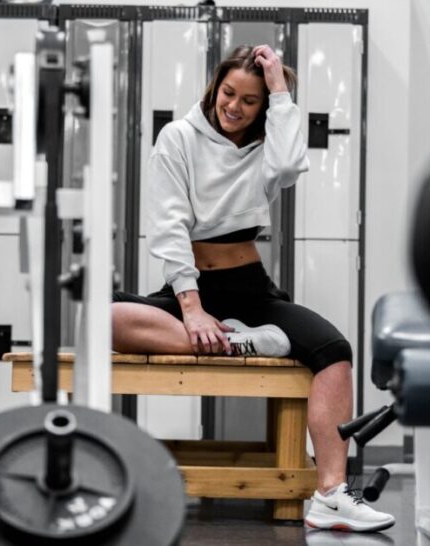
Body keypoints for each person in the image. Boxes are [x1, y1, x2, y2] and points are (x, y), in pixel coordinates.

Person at [112, 44, 395, 532]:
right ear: (214, 88)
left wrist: (281, 92)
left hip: (250, 290)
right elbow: (169, 228)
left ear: (263, 106)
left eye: (250, 100)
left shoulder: (267, 145)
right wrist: (193, 308)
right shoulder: (177, 137)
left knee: (334, 350)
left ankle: (330, 494)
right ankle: (237, 340)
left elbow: (288, 167)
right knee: (104, 316)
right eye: (228, 93)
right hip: (193, 291)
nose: (234, 107)